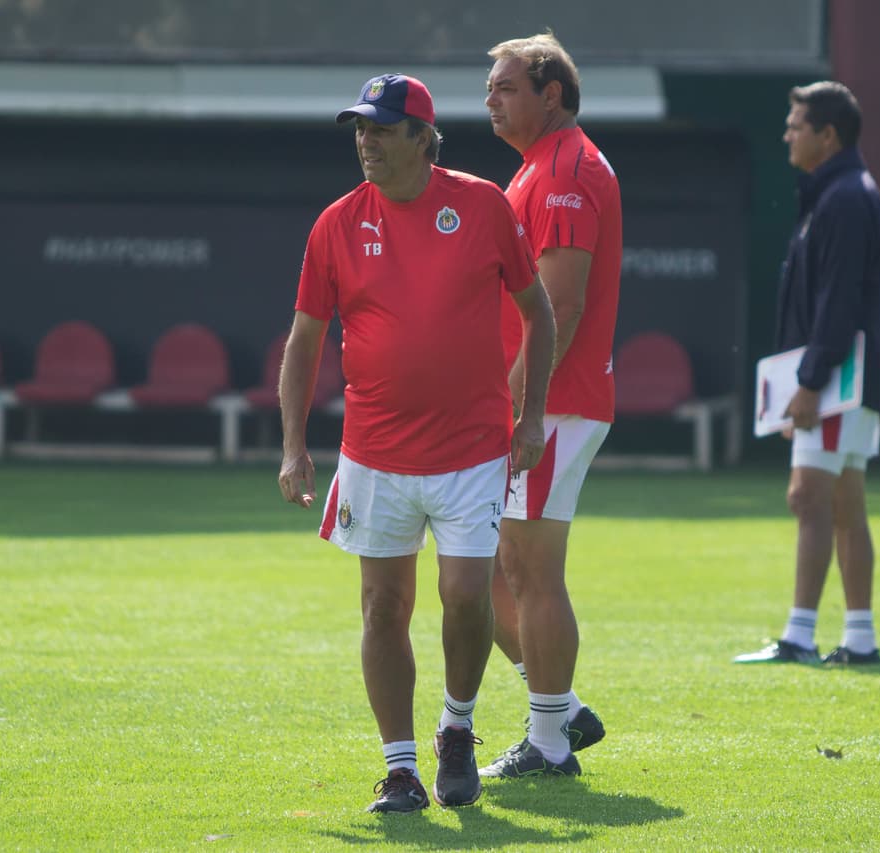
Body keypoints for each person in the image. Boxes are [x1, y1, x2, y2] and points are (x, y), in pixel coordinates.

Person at [277, 73, 556, 813]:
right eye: (359, 129)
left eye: (380, 128)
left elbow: (539, 312)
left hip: (472, 449)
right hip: (373, 452)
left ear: (422, 138)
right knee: (382, 607)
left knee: (466, 597)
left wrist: (530, 419)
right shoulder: (336, 222)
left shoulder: (484, 204)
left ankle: (456, 727)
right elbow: (304, 343)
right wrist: (294, 445)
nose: (365, 141)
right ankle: (400, 768)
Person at [476, 32, 621, 779]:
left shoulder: (564, 167)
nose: (489, 99)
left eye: (505, 87)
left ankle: (549, 740)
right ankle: (558, 710)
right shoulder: (543, 166)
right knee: (498, 570)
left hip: (551, 405)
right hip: (544, 402)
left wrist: (517, 411)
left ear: (550, 93)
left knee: (530, 571)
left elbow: (560, 301)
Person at [734, 81, 880, 667]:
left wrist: (809, 380)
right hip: (842, 378)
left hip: (837, 383)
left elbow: (839, 301)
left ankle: (800, 636)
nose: (787, 134)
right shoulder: (840, 193)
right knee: (845, 503)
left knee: (808, 497)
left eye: (796, 125)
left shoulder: (846, 197)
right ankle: (860, 639)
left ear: (828, 135)